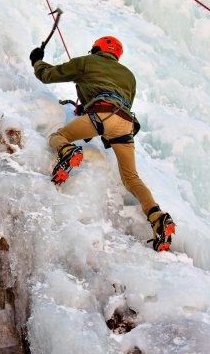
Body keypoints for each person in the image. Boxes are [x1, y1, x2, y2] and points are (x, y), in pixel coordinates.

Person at [30, 36, 176, 251]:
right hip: (125, 124)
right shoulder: (129, 76)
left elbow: (48, 75)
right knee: (132, 178)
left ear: (96, 49)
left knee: (58, 137)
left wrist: (37, 61)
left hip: (101, 115)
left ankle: (68, 151)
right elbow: (119, 97)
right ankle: (157, 217)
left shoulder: (86, 62)